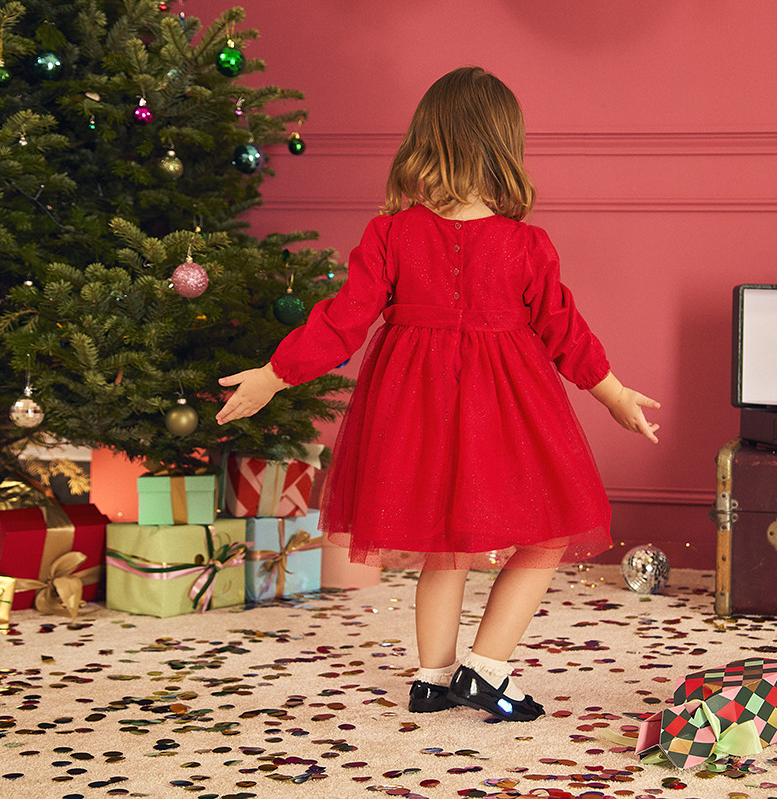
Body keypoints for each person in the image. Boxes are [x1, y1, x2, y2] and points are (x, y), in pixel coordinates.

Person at [216, 66, 660, 723]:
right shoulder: (527, 245)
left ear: (426, 143)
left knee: (443, 544)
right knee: (545, 537)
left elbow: (342, 322)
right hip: (506, 407)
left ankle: (431, 678)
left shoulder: (390, 233)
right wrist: (614, 393)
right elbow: (563, 329)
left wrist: (274, 375)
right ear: (506, 148)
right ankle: (484, 669)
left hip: (411, 407)